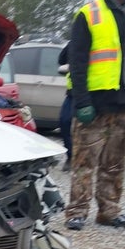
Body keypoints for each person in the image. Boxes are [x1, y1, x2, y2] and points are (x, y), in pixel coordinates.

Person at [65, 0, 125, 231]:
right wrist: (82, 102)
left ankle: (109, 211)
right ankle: (77, 212)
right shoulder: (89, 14)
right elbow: (77, 62)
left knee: (115, 164)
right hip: (96, 103)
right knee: (84, 163)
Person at [58, 43, 73, 172]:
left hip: (92, 92)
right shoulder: (74, 43)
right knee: (64, 122)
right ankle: (71, 157)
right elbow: (61, 60)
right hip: (72, 94)